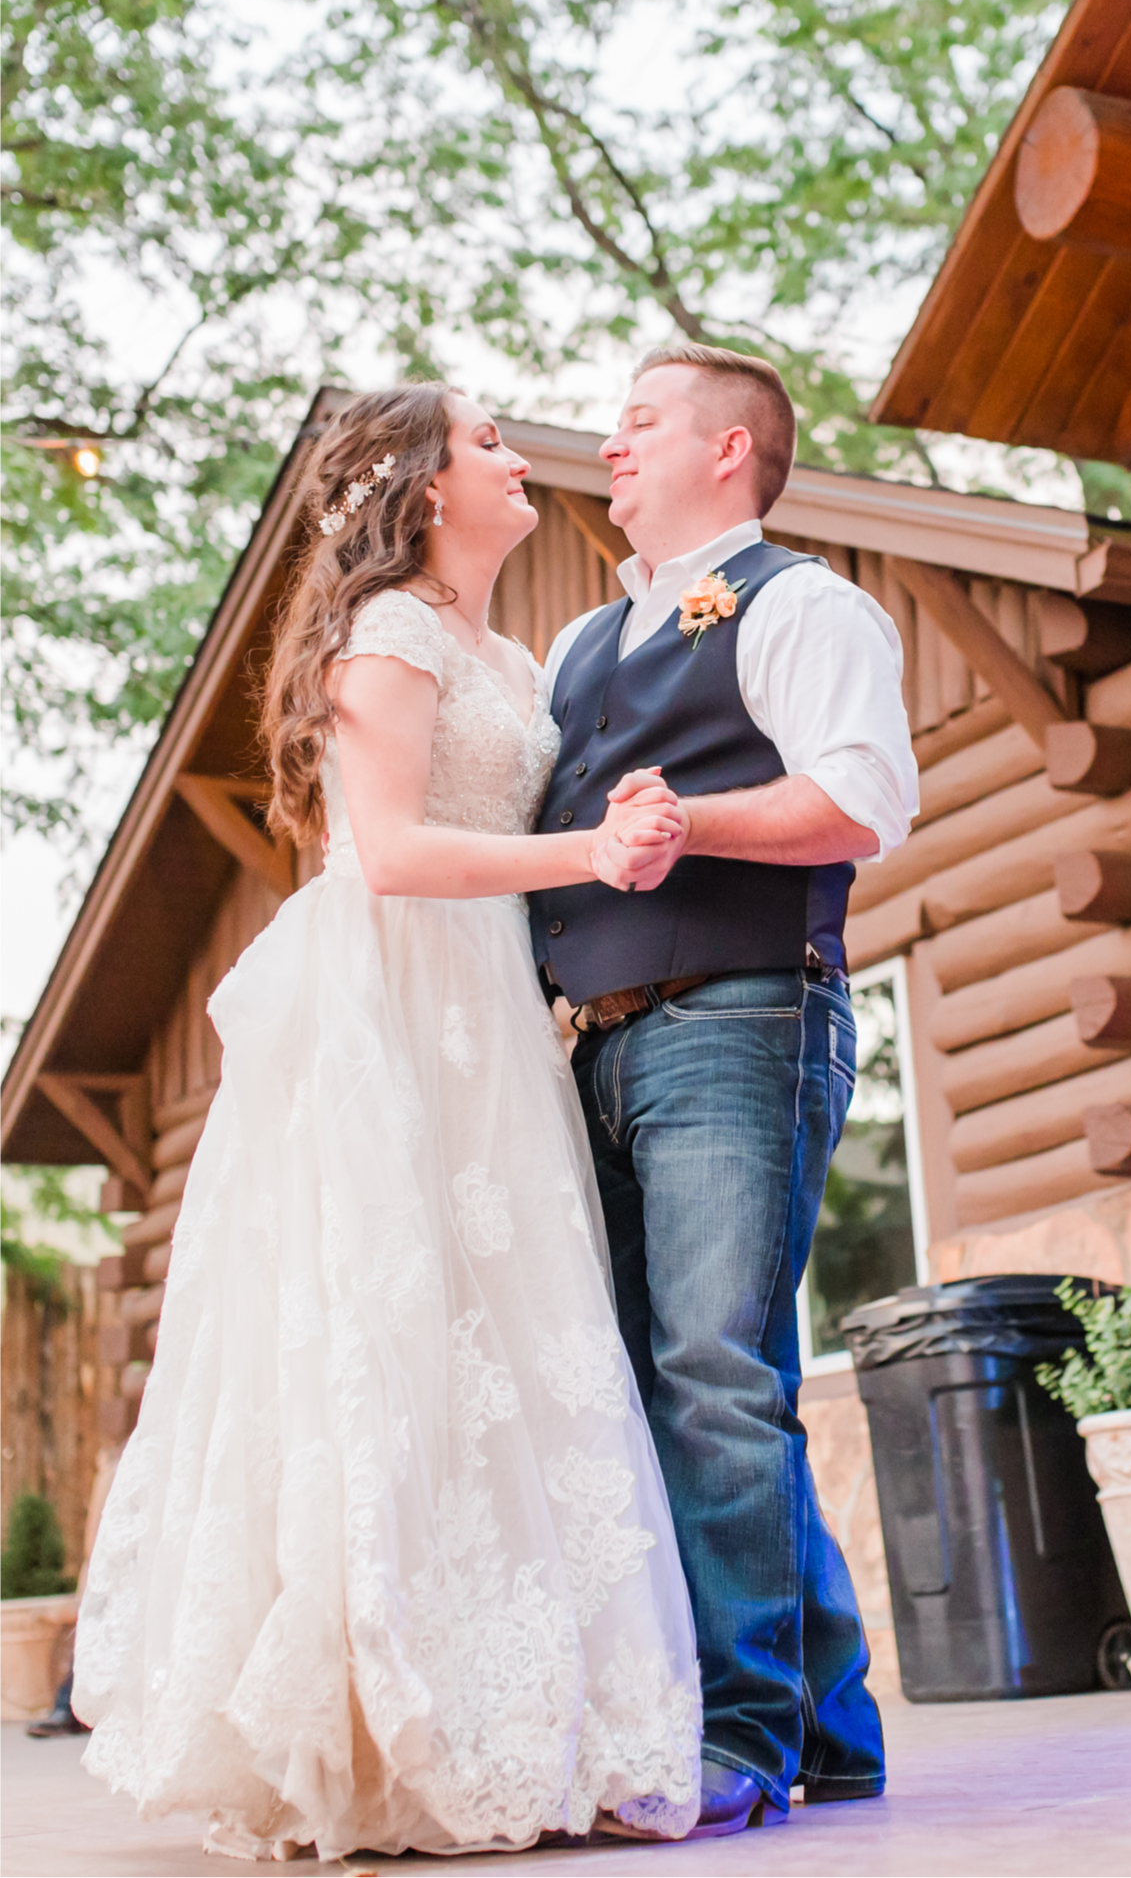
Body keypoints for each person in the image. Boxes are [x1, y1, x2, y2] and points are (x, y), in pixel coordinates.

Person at [72, 385, 703, 1861]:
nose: (517, 455)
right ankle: (373, 1720)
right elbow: (402, 850)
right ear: (422, 488)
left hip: (491, 1015)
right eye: (487, 440)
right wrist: (599, 855)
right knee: (392, 1327)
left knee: (509, 1337)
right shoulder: (392, 635)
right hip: (395, 1003)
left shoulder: (513, 654)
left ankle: (528, 1706)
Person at [531, 345, 919, 1835]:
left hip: (743, 1022)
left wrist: (689, 821)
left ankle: (744, 1734)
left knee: (708, 1374)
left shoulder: (805, 606)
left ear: (732, 449)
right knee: (685, 1381)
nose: (609, 446)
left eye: (638, 424)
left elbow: (860, 797)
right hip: (601, 1047)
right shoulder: (577, 646)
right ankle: (835, 1723)